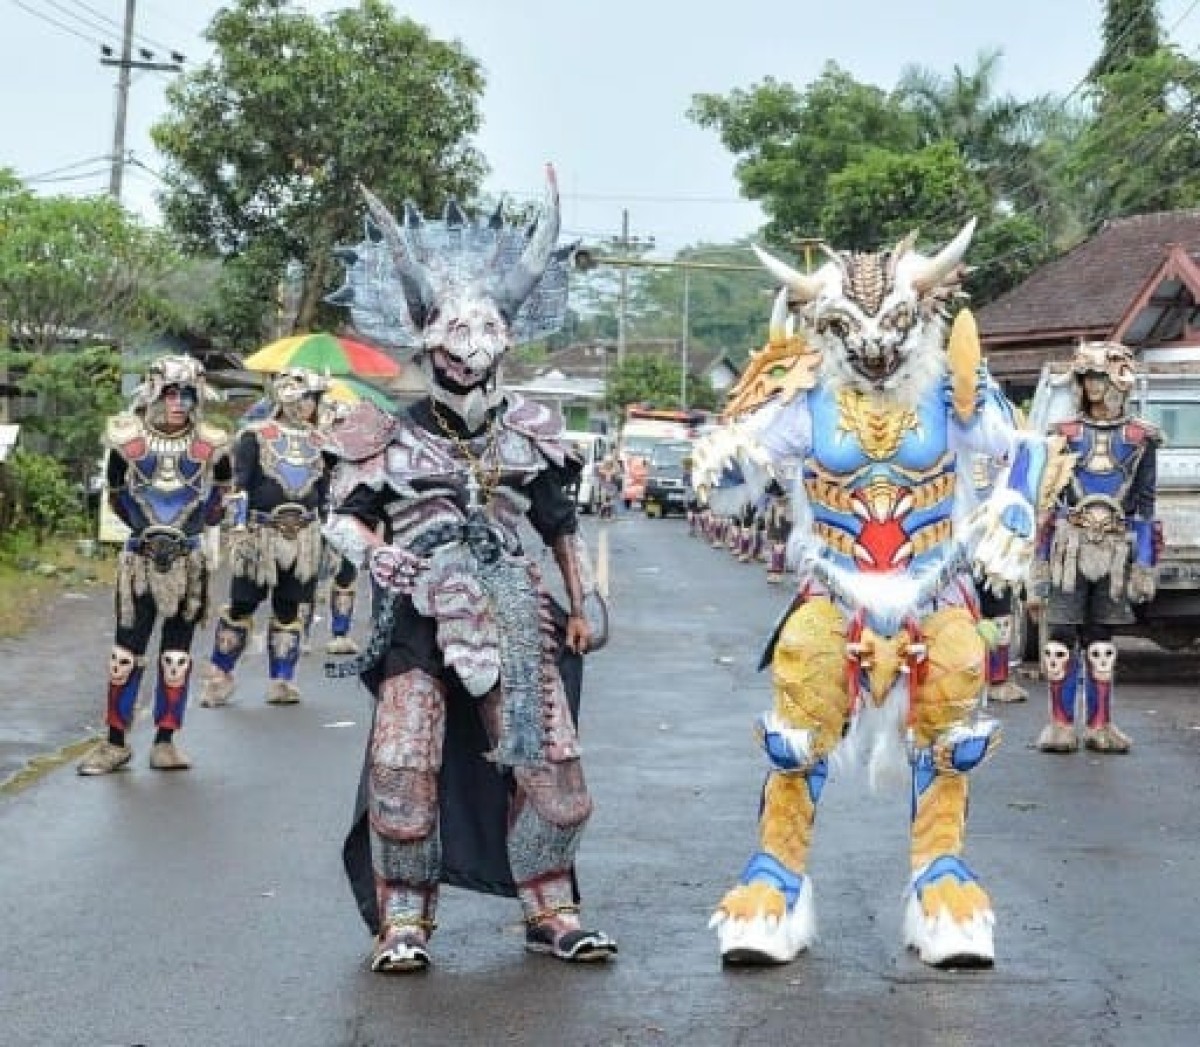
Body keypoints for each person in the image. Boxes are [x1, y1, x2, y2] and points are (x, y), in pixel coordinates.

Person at [693, 226, 1048, 969]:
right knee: (797, 726)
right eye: (853, 331)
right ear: (827, 329)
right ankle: (776, 881)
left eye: (893, 326)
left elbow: (1027, 443)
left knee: (950, 720)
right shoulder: (802, 398)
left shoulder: (954, 392)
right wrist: (722, 463)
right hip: (835, 585)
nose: (877, 350)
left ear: (920, 317)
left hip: (932, 584)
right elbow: (738, 484)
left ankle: (941, 881)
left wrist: (1015, 502)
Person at [321, 166, 616, 973]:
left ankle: (551, 908)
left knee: (550, 768)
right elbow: (342, 517)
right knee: (403, 767)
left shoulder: (531, 431)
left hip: (517, 614)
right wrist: (377, 552)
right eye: (453, 336)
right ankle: (404, 921)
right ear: (425, 340)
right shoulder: (383, 430)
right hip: (419, 618)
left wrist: (582, 601)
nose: (469, 352)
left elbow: (560, 522)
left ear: (505, 341)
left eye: (485, 334)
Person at [77, 355, 231, 775]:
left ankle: (165, 740)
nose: (178, 402)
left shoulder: (214, 444)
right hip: (139, 560)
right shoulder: (125, 439)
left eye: (186, 394)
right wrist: (148, 533)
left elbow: (219, 499)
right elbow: (114, 496)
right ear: (152, 393)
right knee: (125, 652)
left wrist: (190, 533)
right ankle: (114, 742)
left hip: (189, 563)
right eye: (169, 392)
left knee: (176, 654)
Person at [1028, 342, 1160, 754]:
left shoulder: (1142, 438)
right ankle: (1061, 724)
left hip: (1115, 548)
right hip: (1068, 545)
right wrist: (1039, 563)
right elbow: (1046, 501)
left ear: (1119, 382)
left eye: (1101, 378)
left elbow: (1145, 503)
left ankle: (1101, 724)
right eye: (1087, 378)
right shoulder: (1063, 436)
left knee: (1101, 639)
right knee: (1061, 635)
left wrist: (1144, 561)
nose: (1093, 387)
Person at [198, 366, 330, 707]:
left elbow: (326, 492)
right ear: (287, 399)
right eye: (305, 399)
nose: (309, 407)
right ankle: (220, 673)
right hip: (260, 534)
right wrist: (238, 531)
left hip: (304, 537)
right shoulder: (255, 435)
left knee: (289, 608)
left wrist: (328, 532)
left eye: (314, 400)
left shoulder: (323, 442)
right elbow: (239, 485)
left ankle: (282, 680)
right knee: (243, 603)